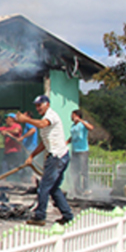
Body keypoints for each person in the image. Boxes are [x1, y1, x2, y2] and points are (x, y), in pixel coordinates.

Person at [15, 95, 73, 226]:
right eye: (36, 105)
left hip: (57, 157)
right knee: (53, 189)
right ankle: (68, 215)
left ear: (47, 104)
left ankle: (40, 216)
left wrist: (26, 120)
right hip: (61, 156)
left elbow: (42, 124)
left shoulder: (51, 115)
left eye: (40, 105)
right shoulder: (45, 119)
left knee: (44, 187)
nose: (38, 108)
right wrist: (32, 156)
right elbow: (43, 144)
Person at [68, 110, 94, 195]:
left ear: (77, 116)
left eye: (73, 115)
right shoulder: (73, 126)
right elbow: (72, 137)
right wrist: (65, 143)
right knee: (75, 170)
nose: (71, 117)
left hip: (82, 150)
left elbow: (91, 128)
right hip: (75, 150)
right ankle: (77, 189)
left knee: (83, 170)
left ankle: (86, 188)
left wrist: (81, 121)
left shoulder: (83, 124)